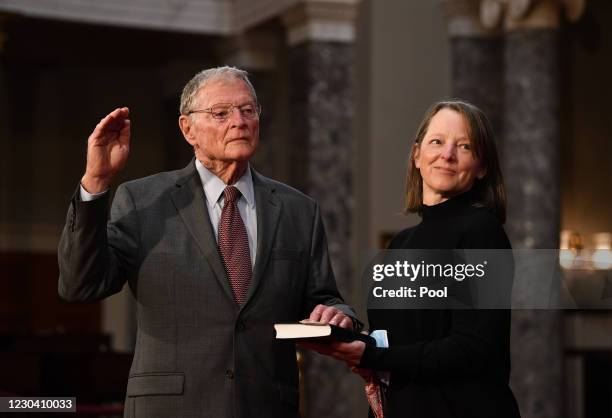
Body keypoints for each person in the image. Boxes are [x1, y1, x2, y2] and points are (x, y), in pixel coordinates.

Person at [57, 66, 359, 418]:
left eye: (248, 110)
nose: (240, 121)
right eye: (221, 113)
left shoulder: (298, 210)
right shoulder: (143, 201)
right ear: (188, 129)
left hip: (265, 405)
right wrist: (96, 180)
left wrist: (340, 316)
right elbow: (80, 285)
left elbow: (323, 299)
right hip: (171, 407)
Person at [314, 100, 521, 417]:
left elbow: (474, 350)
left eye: (464, 146)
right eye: (436, 141)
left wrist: (372, 357)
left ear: (482, 167)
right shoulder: (400, 244)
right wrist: (348, 333)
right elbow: (398, 341)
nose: (447, 155)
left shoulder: (483, 233)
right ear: (417, 155)